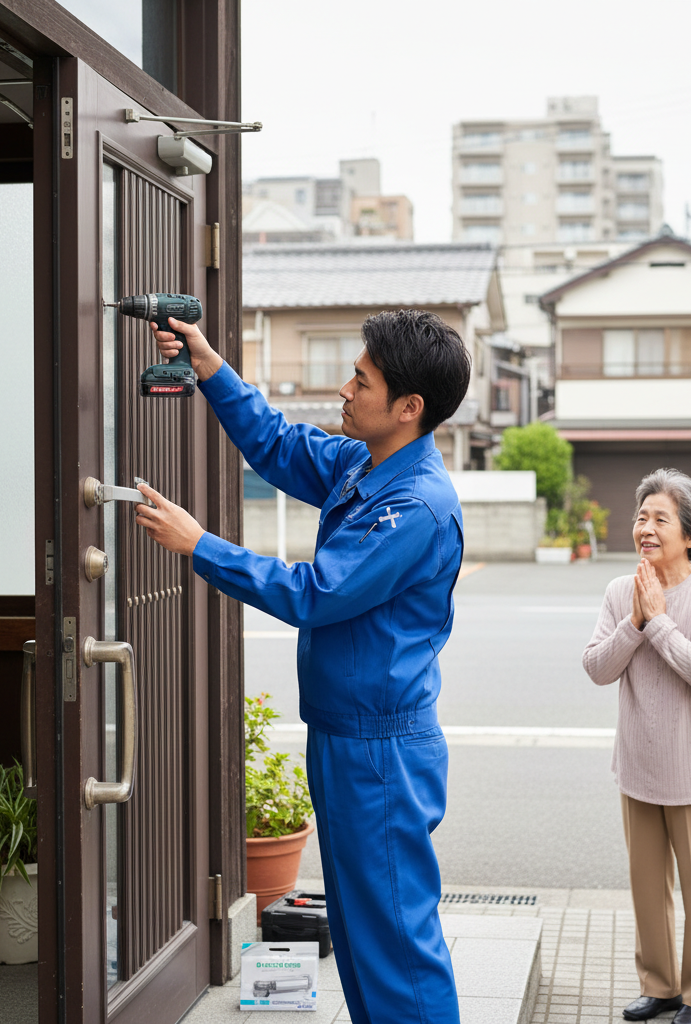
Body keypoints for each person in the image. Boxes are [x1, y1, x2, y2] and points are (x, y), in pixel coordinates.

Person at [133, 309, 470, 1024]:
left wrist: (201, 545)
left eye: (362, 381)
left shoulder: (415, 505)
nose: (345, 390)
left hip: (380, 751)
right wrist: (209, 366)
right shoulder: (365, 464)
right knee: (361, 933)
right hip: (348, 738)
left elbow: (316, 594)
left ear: (408, 407)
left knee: (396, 941)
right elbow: (279, 445)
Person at [582, 468, 691, 1024]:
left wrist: (657, 622)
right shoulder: (619, 592)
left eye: (660, 520)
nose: (645, 529)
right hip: (640, 765)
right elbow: (597, 668)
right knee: (648, 888)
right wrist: (634, 620)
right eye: (641, 517)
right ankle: (661, 986)